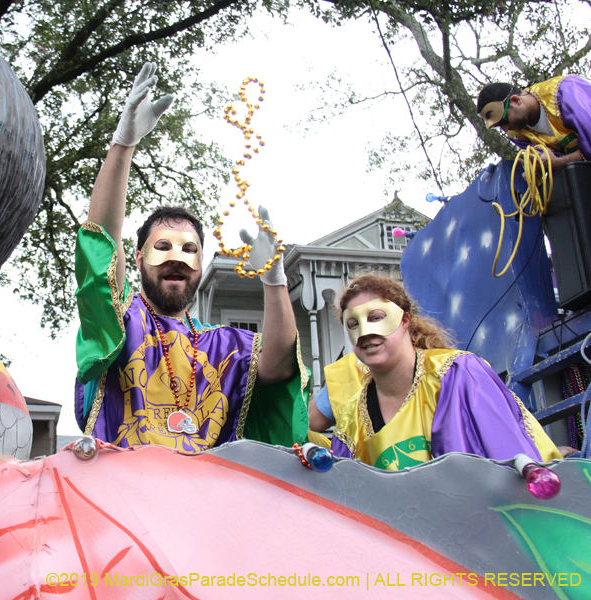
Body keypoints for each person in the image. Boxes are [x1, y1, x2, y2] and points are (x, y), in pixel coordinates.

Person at [74, 62, 309, 452]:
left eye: (189, 250)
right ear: (137, 259)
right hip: (122, 487)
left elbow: (278, 366)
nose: (177, 258)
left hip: (206, 491)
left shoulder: (223, 345)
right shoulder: (121, 319)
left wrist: (274, 280)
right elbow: (101, 244)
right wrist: (123, 145)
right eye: (162, 247)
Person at [330, 274, 561, 470]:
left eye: (376, 318)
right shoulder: (351, 422)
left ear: (404, 320)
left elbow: (508, 460)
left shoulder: (460, 375)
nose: (365, 332)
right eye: (353, 324)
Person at [476, 76, 591, 171]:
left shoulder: (566, 91)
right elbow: (552, 164)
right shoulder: (517, 135)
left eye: (504, 120)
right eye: (498, 126)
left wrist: (560, 162)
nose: (505, 129)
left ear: (516, 100)